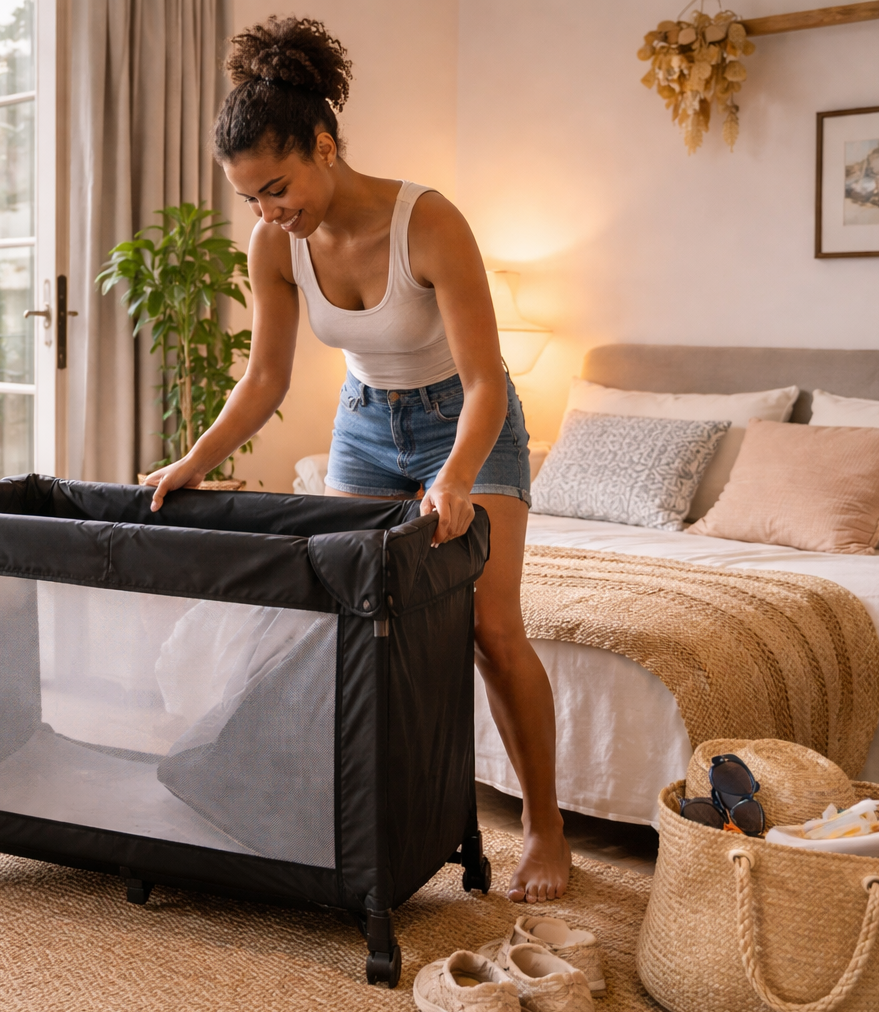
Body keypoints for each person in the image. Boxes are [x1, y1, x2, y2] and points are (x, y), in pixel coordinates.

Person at [143, 15, 571, 903]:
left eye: (278, 185)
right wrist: (190, 461)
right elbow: (264, 379)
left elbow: (489, 380)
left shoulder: (430, 222)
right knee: (346, 621)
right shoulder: (275, 245)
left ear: (325, 145)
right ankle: (345, 807)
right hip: (366, 423)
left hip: (465, 419)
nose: (269, 210)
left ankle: (543, 824)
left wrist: (452, 477)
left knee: (492, 632)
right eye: (252, 197)